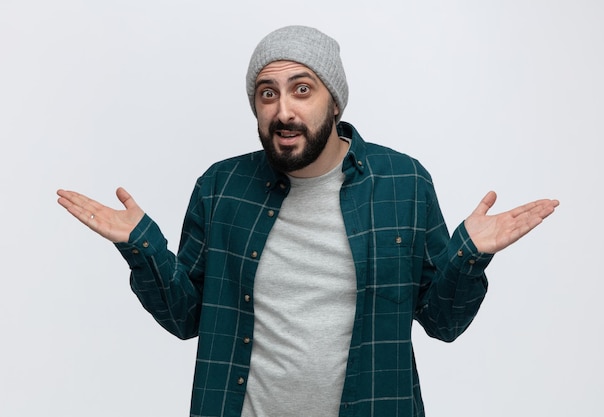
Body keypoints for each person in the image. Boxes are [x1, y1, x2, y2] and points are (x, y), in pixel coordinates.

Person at [57, 25, 559, 417]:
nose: (284, 110)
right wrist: (141, 247)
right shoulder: (221, 187)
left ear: (334, 101)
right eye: (268, 94)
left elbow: (442, 322)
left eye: (302, 89)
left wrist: (469, 255)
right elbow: (187, 318)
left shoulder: (403, 182)